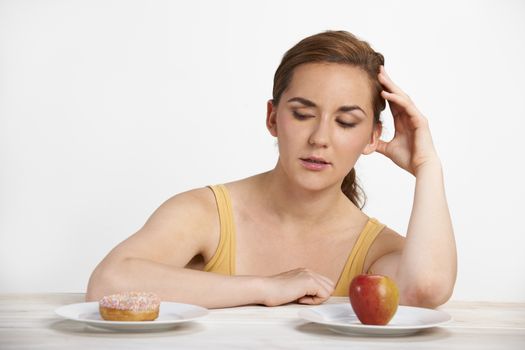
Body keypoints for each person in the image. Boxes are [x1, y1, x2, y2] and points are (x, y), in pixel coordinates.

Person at [86, 30, 457, 309]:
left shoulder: (377, 248)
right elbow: (108, 283)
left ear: (372, 137)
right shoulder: (204, 212)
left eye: (345, 122)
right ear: (272, 118)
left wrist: (428, 166)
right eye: (302, 114)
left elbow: (425, 289)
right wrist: (267, 287)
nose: (319, 138)